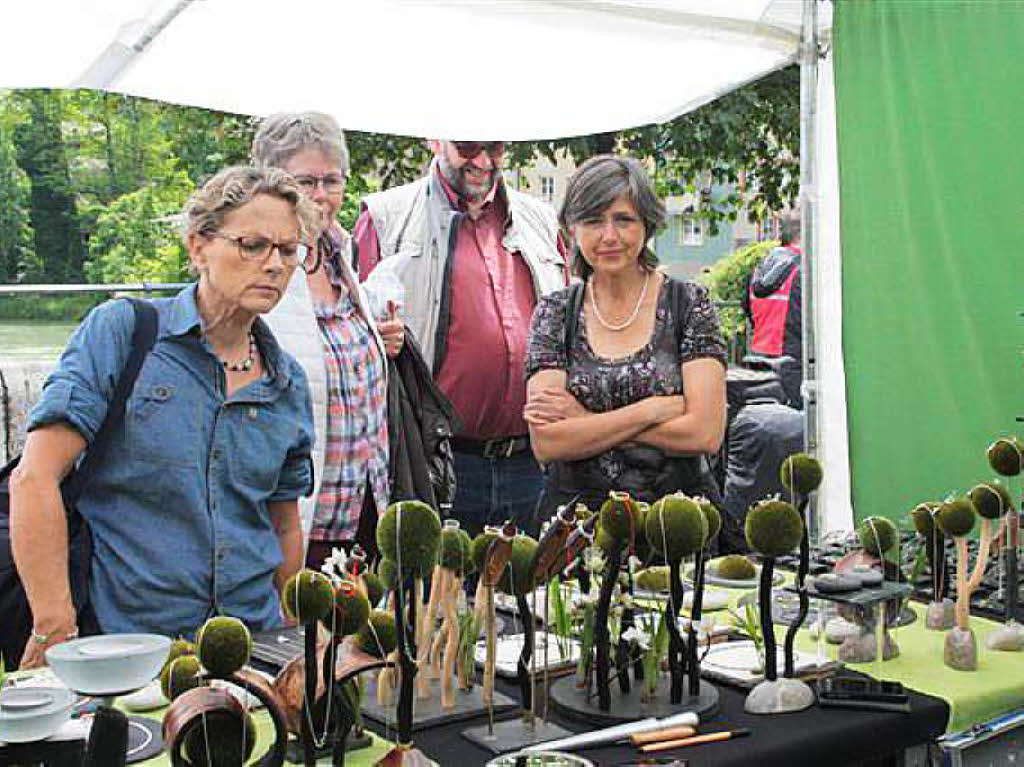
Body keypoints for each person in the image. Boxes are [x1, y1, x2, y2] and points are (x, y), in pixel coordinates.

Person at [10, 166, 318, 664]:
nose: (274, 265)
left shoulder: (287, 383)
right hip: (128, 648)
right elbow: (35, 478)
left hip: (250, 647)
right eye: (252, 244)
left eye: (287, 250)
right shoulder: (125, 334)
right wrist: (53, 627)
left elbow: (283, 524)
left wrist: (291, 636)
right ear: (199, 247)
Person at [353, 139, 566, 537]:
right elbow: (351, 337)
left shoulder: (543, 220)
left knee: (528, 597)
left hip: (531, 461)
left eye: (496, 147)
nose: (484, 161)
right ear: (434, 139)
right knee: (439, 596)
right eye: (468, 146)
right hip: (438, 461)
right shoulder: (385, 216)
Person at [523, 155, 728, 538]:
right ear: (571, 229)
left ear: (646, 225)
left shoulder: (688, 305)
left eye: (623, 219)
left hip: (674, 529)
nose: (609, 236)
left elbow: (704, 433)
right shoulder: (555, 314)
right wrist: (652, 410)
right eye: (593, 221)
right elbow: (548, 442)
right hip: (575, 533)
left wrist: (584, 422)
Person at [252, 113, 405, 570]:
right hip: (299, 521)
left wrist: (376, 339)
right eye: (305, 181)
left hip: (366, 510)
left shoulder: (341, 254)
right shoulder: (260, 267)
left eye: (332, 181)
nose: (321, 196)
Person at [741, 216, 803, 408]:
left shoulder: (759, 270)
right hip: (791, 361)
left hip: (759, 359)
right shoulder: (804, 268)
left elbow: (747, 310)